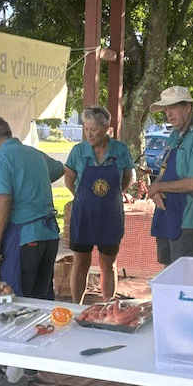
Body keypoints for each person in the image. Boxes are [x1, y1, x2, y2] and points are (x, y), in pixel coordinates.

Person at [0, 117, 64, 386]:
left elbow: (4, 200)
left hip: (26, 236)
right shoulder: (33, 153)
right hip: (49, 234)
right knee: (39, 298)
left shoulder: (0, 158)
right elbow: (59, 169)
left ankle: (14, 378)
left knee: (20, 301)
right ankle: (29, 365)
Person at [64, 105, 135, 303]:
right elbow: (69, 178)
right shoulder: (78, 151)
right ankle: (77, 305)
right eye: (85, 129)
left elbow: (127, 179)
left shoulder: (120, 150)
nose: (89, 133)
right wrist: (80, 196)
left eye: (93, 129)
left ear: (106, 129)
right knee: (80, 263)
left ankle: (107, 306)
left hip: (110, 216)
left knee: (108, 264)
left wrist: (113, 194)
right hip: (83, 214)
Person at [147, 86, 193, 266]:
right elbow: (164, 170)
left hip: (189, 216)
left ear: (188, 107)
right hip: (167, 212)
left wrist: (157, 187)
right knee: (168, 271)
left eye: (173, 108)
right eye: (166, 110)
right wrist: (155, 191)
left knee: (185, 275)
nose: (168, 114)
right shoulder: (175, 134)